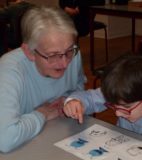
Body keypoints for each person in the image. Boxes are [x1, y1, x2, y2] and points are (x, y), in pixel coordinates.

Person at [0, 6, 86, 153]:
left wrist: (69, 100)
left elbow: (78, 87)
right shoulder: (9, 69)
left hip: (57, 135)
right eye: (53, 55)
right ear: (29, 52)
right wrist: (43, 114)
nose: (65, 63)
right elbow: (5, 139)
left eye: (69, 51)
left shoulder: (74, 55)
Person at [63, 55, 142, 135]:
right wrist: (75, 102)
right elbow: (90, 98)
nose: (117, 114)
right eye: (113, 105)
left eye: (126, 107)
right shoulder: (118, 93)